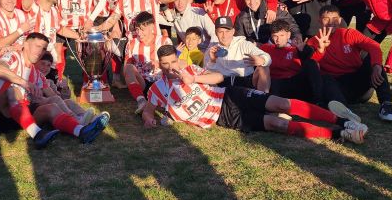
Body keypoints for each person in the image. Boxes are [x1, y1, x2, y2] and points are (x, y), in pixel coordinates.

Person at [142, 45, 368, 144]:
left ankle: (342, 120)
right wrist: (149, 119)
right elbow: (148, 110)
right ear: (159, 64)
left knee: (280, 104)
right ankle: (338, 135)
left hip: (229, 96)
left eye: (173, 61)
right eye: (165, 64)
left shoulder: (188, 69)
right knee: (275, 125)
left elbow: (218, 78)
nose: (171, 67)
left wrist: (194, 79)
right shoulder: (156, 89)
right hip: (223, 118)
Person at [0, 32, 109, 148]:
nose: (40, 51)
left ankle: (82, 130)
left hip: (22, 114)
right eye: (37, 46)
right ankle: (38, 134)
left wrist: (64, 93)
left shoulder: (35, 72)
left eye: (44, 48)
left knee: (53, 106)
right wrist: (25, 83)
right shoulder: (14, 56)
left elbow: (54, 96)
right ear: (25, 44)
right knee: (12, 90)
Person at [307, 6, 392, 123]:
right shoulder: (313, 41)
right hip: (337, 87)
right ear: (319, 21)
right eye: (326, 19)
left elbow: (374, 47)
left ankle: (386, 106)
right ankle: (344, 111)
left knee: (373, 61)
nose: (331, 22)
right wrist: (320, 50)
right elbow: (311, 66)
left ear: (340, 20)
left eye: (334, 19)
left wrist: (376, 66)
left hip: (358, 82)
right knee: (325, 78)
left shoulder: (349, 34)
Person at [260, 20, 326, 105]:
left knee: (311, 63)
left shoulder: (296, 48)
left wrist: (303, 51)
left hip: (296, 83)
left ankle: (319, 101)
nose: (278, 39)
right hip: (276, 85)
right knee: (272, 80)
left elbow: (311, 58)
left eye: (281, 35)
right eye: (275, 36)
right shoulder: (265, 48)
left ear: (288, 35)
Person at [122, 11, 174, 114]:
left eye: (142, 29)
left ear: (152, 27)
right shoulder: (131, 44)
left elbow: (173, 66)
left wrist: (159, 64)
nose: (139, 33)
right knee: (128, 67)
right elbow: (126, 69)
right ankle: (141, 101)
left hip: (160, 82)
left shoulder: (164, 41)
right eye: (137, 29)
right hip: (142, 84)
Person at [204, 16, 271, 92]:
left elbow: (268, 58)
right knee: (206, 75)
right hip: (223, 83)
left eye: (227, 31)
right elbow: (206, 73)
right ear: (216, 33)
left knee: (264, 67)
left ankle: (262, 100)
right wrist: (212, 61)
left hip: (245, 81)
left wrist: (262, 60)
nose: (224, 35)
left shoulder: (243, 44)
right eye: (220, 32)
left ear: (233, 31)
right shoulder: (212, 49)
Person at [235, 0, 301, 44]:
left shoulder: (275, 11)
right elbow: (239, 39)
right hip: (254, 51)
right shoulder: (241, 17)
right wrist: (251, 44)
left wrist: (297, 40)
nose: (252, 2)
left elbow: (293, 28)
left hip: (275, 48)